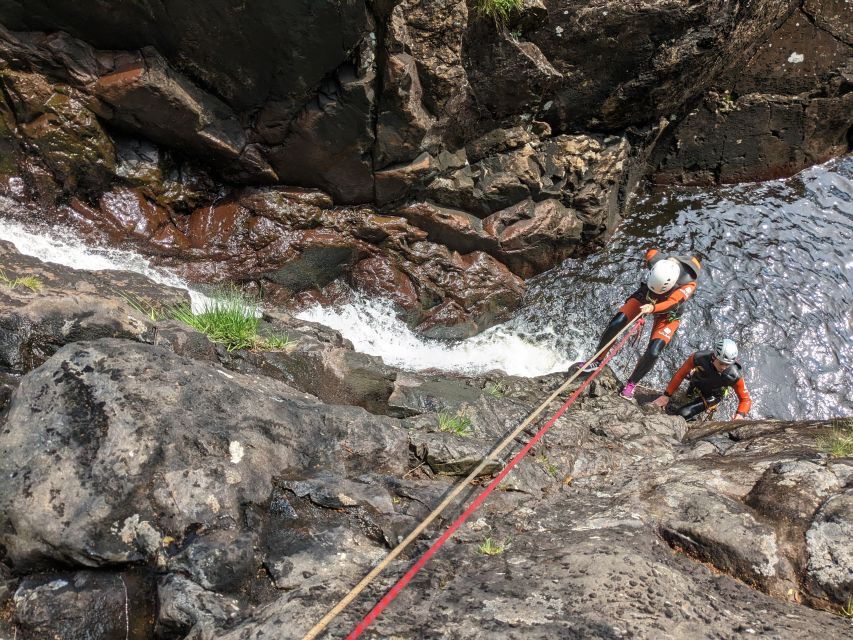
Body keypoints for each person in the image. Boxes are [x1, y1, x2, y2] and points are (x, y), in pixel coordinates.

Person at [580, 248, 702, 398]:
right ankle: (597, 360)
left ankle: (632, 383)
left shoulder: (689, 284)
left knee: (654, 351)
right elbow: (650, 251)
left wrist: (653, 308)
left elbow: (672, 302)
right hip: (647, 295)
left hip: (670, 311)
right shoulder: (655, 260)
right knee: (617, 323)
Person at [652, 338, 751, 421]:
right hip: (696, 383)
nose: (724, 367)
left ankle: (704, 413)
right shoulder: (699, 358)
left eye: (728, 364)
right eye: (721, 363)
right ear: (714, 356)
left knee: (682, 413)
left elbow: (745, 399)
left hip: (712, 395)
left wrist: (740, 415)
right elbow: (680, 375)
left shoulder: (733, 375)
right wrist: (666, 395)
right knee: (683, 399)